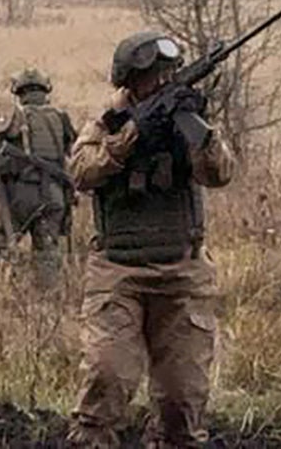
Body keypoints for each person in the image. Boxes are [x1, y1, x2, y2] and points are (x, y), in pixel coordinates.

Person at [67, 31, 235, 447]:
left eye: (167, 73)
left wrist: (199, 131)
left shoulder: (184, 121)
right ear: (129, 80)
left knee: (182, 399)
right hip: (118, 273)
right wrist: (131, 138)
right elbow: (81, 172)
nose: (161, 82)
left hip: (183, 272)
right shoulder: (106, 124)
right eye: (151, 76)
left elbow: (221, 174)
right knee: (108, 377)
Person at [0, 68, 77, 286]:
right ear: (45, 91)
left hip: (24, 194)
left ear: (19, 93)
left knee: (5, 243)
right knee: (48, 250)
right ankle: (47, 303)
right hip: (55, 195)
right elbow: (76, 155)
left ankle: (4, 291)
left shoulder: (17, 116)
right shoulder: (61, 118)